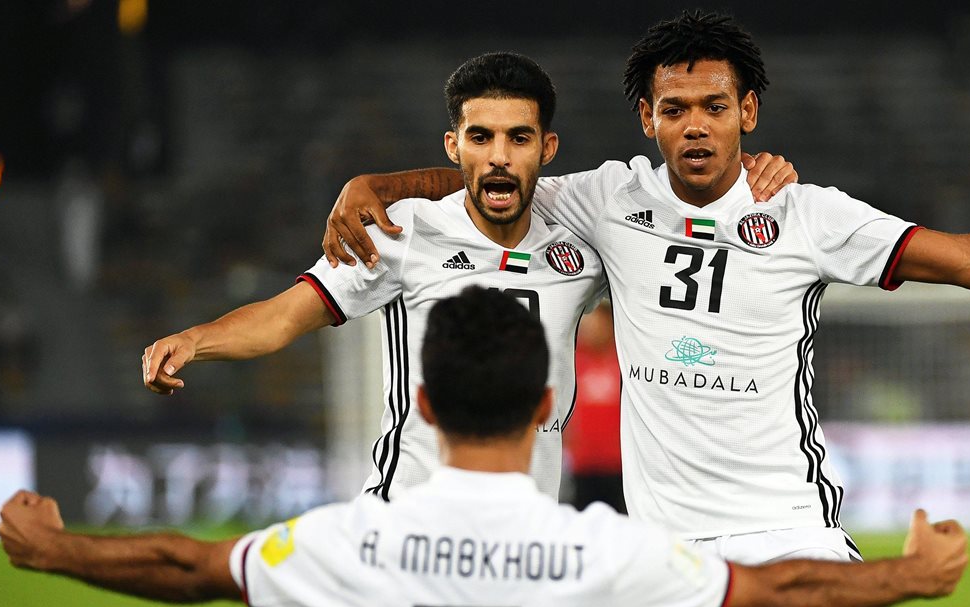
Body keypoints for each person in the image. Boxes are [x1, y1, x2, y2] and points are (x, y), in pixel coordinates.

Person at [320, 11, 970, 607]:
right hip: (668, 554)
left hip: (789, 532)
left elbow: (957, 258)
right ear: (646, 121)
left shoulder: (806, 214)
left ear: (750, 111)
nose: (696, 125)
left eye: (715, 106)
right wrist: (377, 183)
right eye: (675, 108)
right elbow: (493, 175)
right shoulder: (606, 199)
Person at [1, 286, 969, 607]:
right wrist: (909, 574)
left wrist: (55, 549)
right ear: (553, 405)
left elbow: (188, 566)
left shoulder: (351, 539)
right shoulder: (605, 550)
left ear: (421, 405)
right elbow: (780, 585)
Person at [142, 52, 798, 501]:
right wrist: (195, 340)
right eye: (480, 137)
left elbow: (694, 201)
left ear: (548, 149)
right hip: (408, 518)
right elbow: (287, 314)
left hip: (530, 528)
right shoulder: (404, 232)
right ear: (454, 145)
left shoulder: (586, 233)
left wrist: (759, 174)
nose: (499, 158)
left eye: (518, 138)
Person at [565, 300, 625, 513]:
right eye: (586, 323)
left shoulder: (624, 363)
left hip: (620, 467)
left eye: (597, 322)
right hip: (583, 466)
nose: (590, 329)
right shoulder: (572, 361)